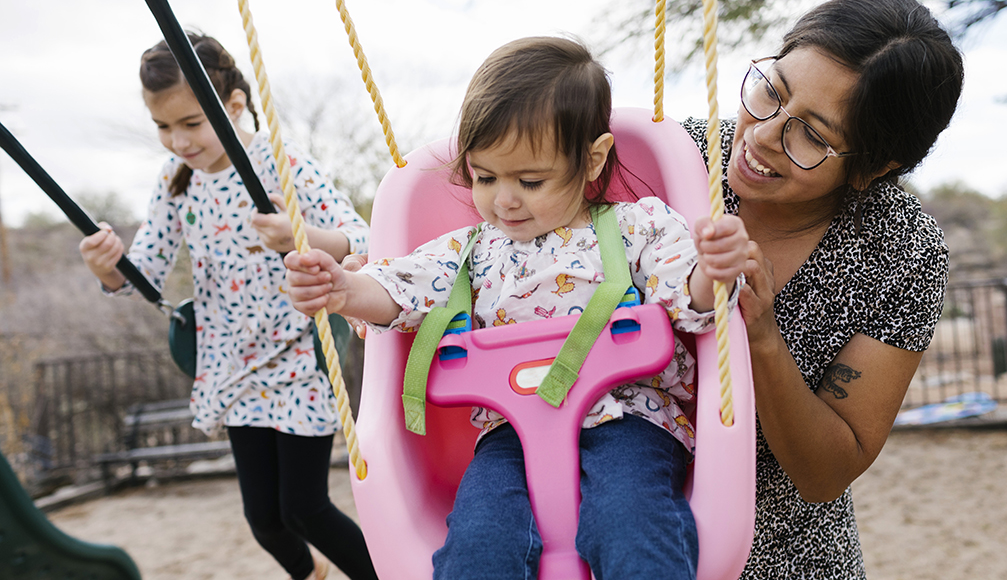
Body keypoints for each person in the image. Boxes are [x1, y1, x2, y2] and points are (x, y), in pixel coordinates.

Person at [284, 36, 749, 579]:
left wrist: (712, 270)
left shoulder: (637, 226)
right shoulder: (471, 252)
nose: (503, 199)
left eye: (530, 181)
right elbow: (398, 288)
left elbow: (685, 293)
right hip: (510, 436)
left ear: (592, 159)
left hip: (630, 419)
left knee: (630, 523)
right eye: (484, 178)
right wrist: (343, 289)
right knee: (478, 544)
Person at [681, 0, 964, 578]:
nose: (761, 135)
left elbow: (825, 473)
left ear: (873, 166)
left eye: (811, 135)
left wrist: (761, 335)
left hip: (780, 558)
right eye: (771, 92)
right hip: (608, 532)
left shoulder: (900, 250)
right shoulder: (677, 159)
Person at [78, 33, 378, 580]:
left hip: (296, 360)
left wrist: (300, 235)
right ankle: (310, 574)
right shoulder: (175, 183)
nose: (178, 141)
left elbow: (362, 239)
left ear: (234, 105)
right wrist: (108, 267)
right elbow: (143, 270)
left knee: (305, 508)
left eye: (191, 123)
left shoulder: (281, 164)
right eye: (164, 127)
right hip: (231, 369)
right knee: (264, 519)